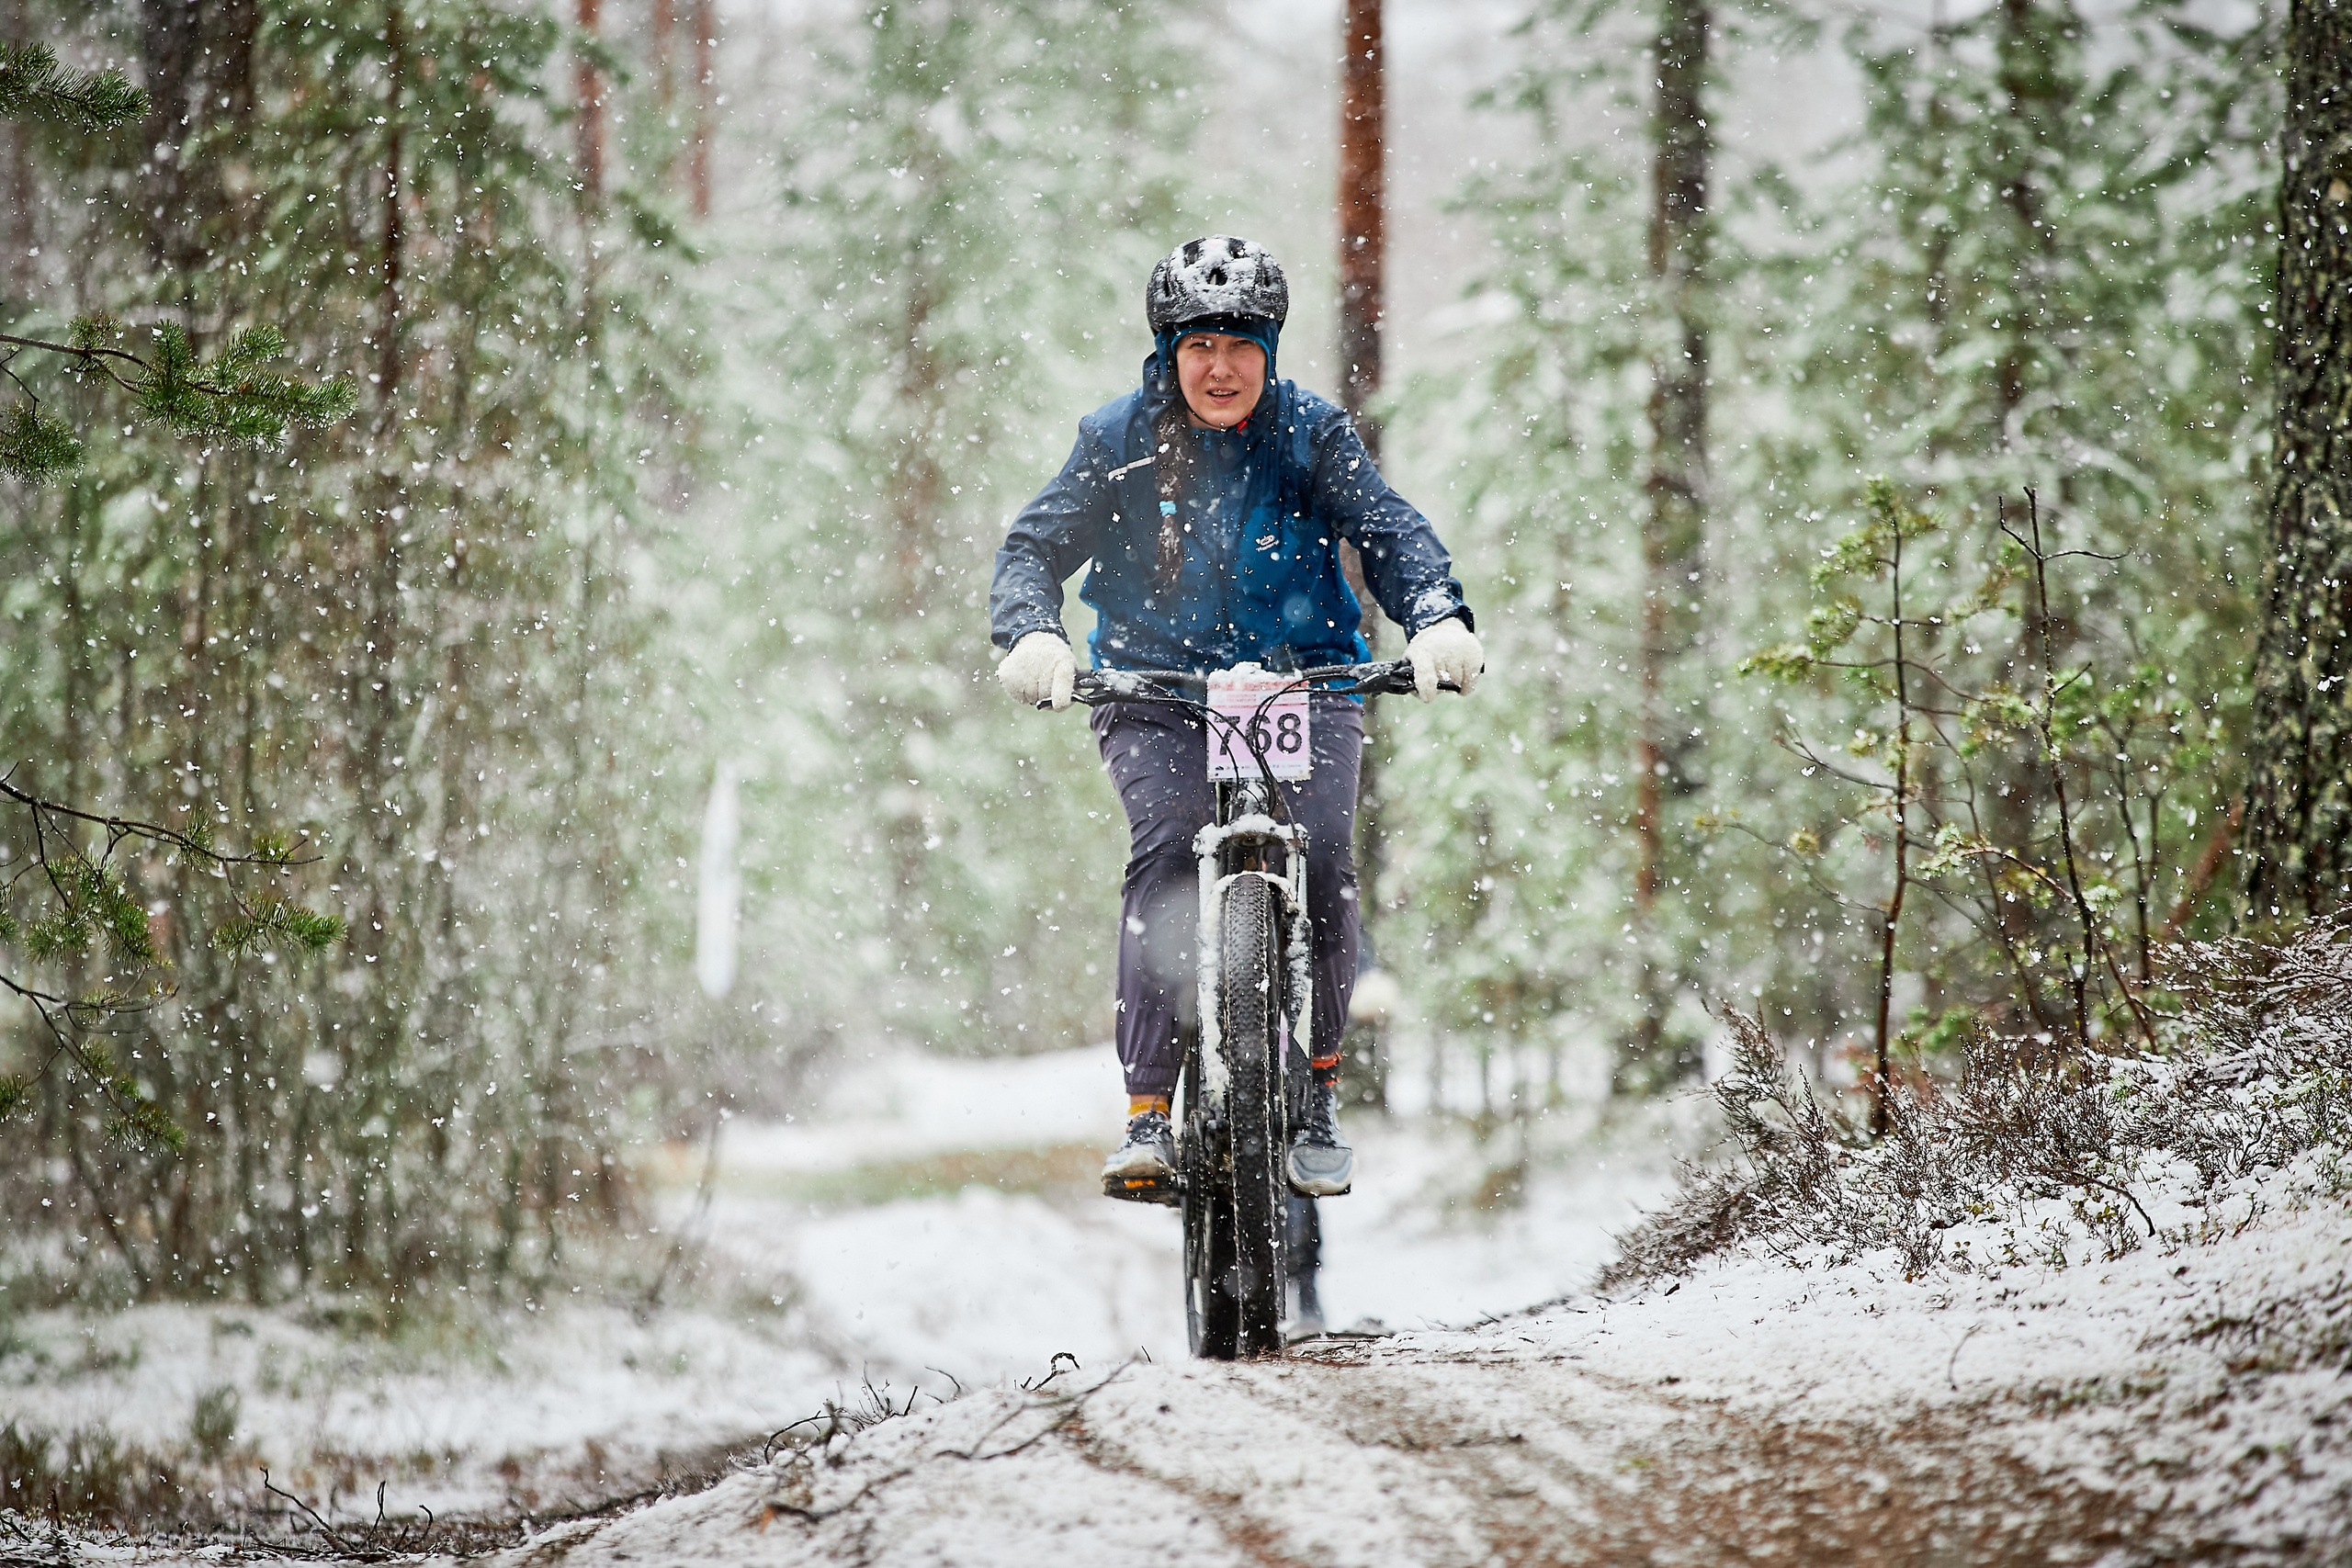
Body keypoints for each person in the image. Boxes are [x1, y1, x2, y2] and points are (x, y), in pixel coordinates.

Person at [989, 234, 1482, 1202]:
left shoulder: (1311, 435)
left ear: (1271, 349)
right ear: (1168, 351)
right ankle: (1146, 1112)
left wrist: (1435, 614)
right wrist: (1031, 633)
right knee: (1169, 852)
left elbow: (1389, 531)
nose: (1221, 367)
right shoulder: (1115, 440)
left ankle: (1321, 1090)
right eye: (1199, 344)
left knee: (1328, 856)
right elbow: (1032, 549)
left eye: (1242, 344)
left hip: (1305, 678)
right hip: (1156, 687)